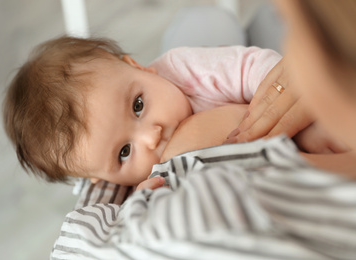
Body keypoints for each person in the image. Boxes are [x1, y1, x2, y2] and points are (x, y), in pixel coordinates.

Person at [50, 1, 356, 259]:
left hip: (272, 106)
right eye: (124, 152)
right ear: (102, 177)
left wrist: (287, 101)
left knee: (205, 21)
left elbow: (248, 70)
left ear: (140, 67)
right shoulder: (137, 187)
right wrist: (136, 205)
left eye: (139, 106)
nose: (151, 135)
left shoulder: (182, 70)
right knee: (211, 20)